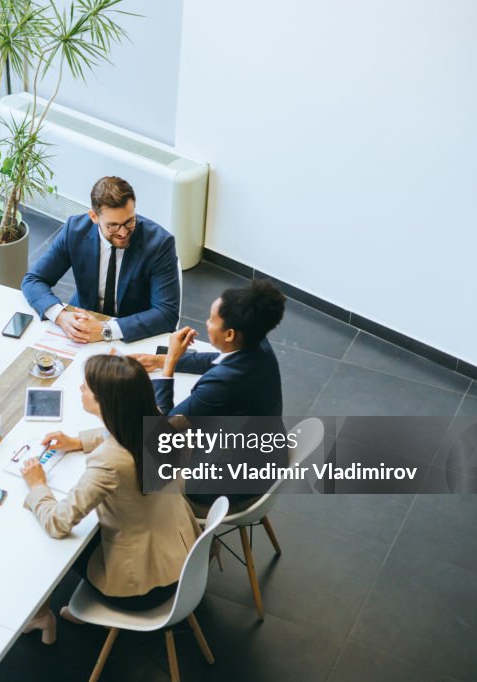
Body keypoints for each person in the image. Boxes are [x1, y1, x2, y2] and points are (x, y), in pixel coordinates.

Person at [18, 354, 201, 644]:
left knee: (47, 541)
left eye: (87, 387)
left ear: (105, 402)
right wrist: (78, 441)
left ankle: (41, 614)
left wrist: (37, 485)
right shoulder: (162, 424)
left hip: (142, 589)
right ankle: (52, 614)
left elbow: (58, 522)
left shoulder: (109, 462)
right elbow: (126, 432)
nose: (80, 389)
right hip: (186, 562)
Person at [21, 176, 180, 344]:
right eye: (113, 225)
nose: (123, 232)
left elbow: (166, 313)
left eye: (129, 222)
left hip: (132, 331)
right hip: (84, 321)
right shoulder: (74, 231)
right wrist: (61, 316)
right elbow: (33, 280)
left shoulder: (160, 243)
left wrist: (106, 330)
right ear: (94, 217)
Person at [133, 279, 287, 417]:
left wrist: (170, 362)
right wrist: (159, 360)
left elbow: (163, 430)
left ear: (229, 335)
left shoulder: (220, 385)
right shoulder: (257, 340)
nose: (206, 322)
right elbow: (218, 361)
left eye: (212, 320)